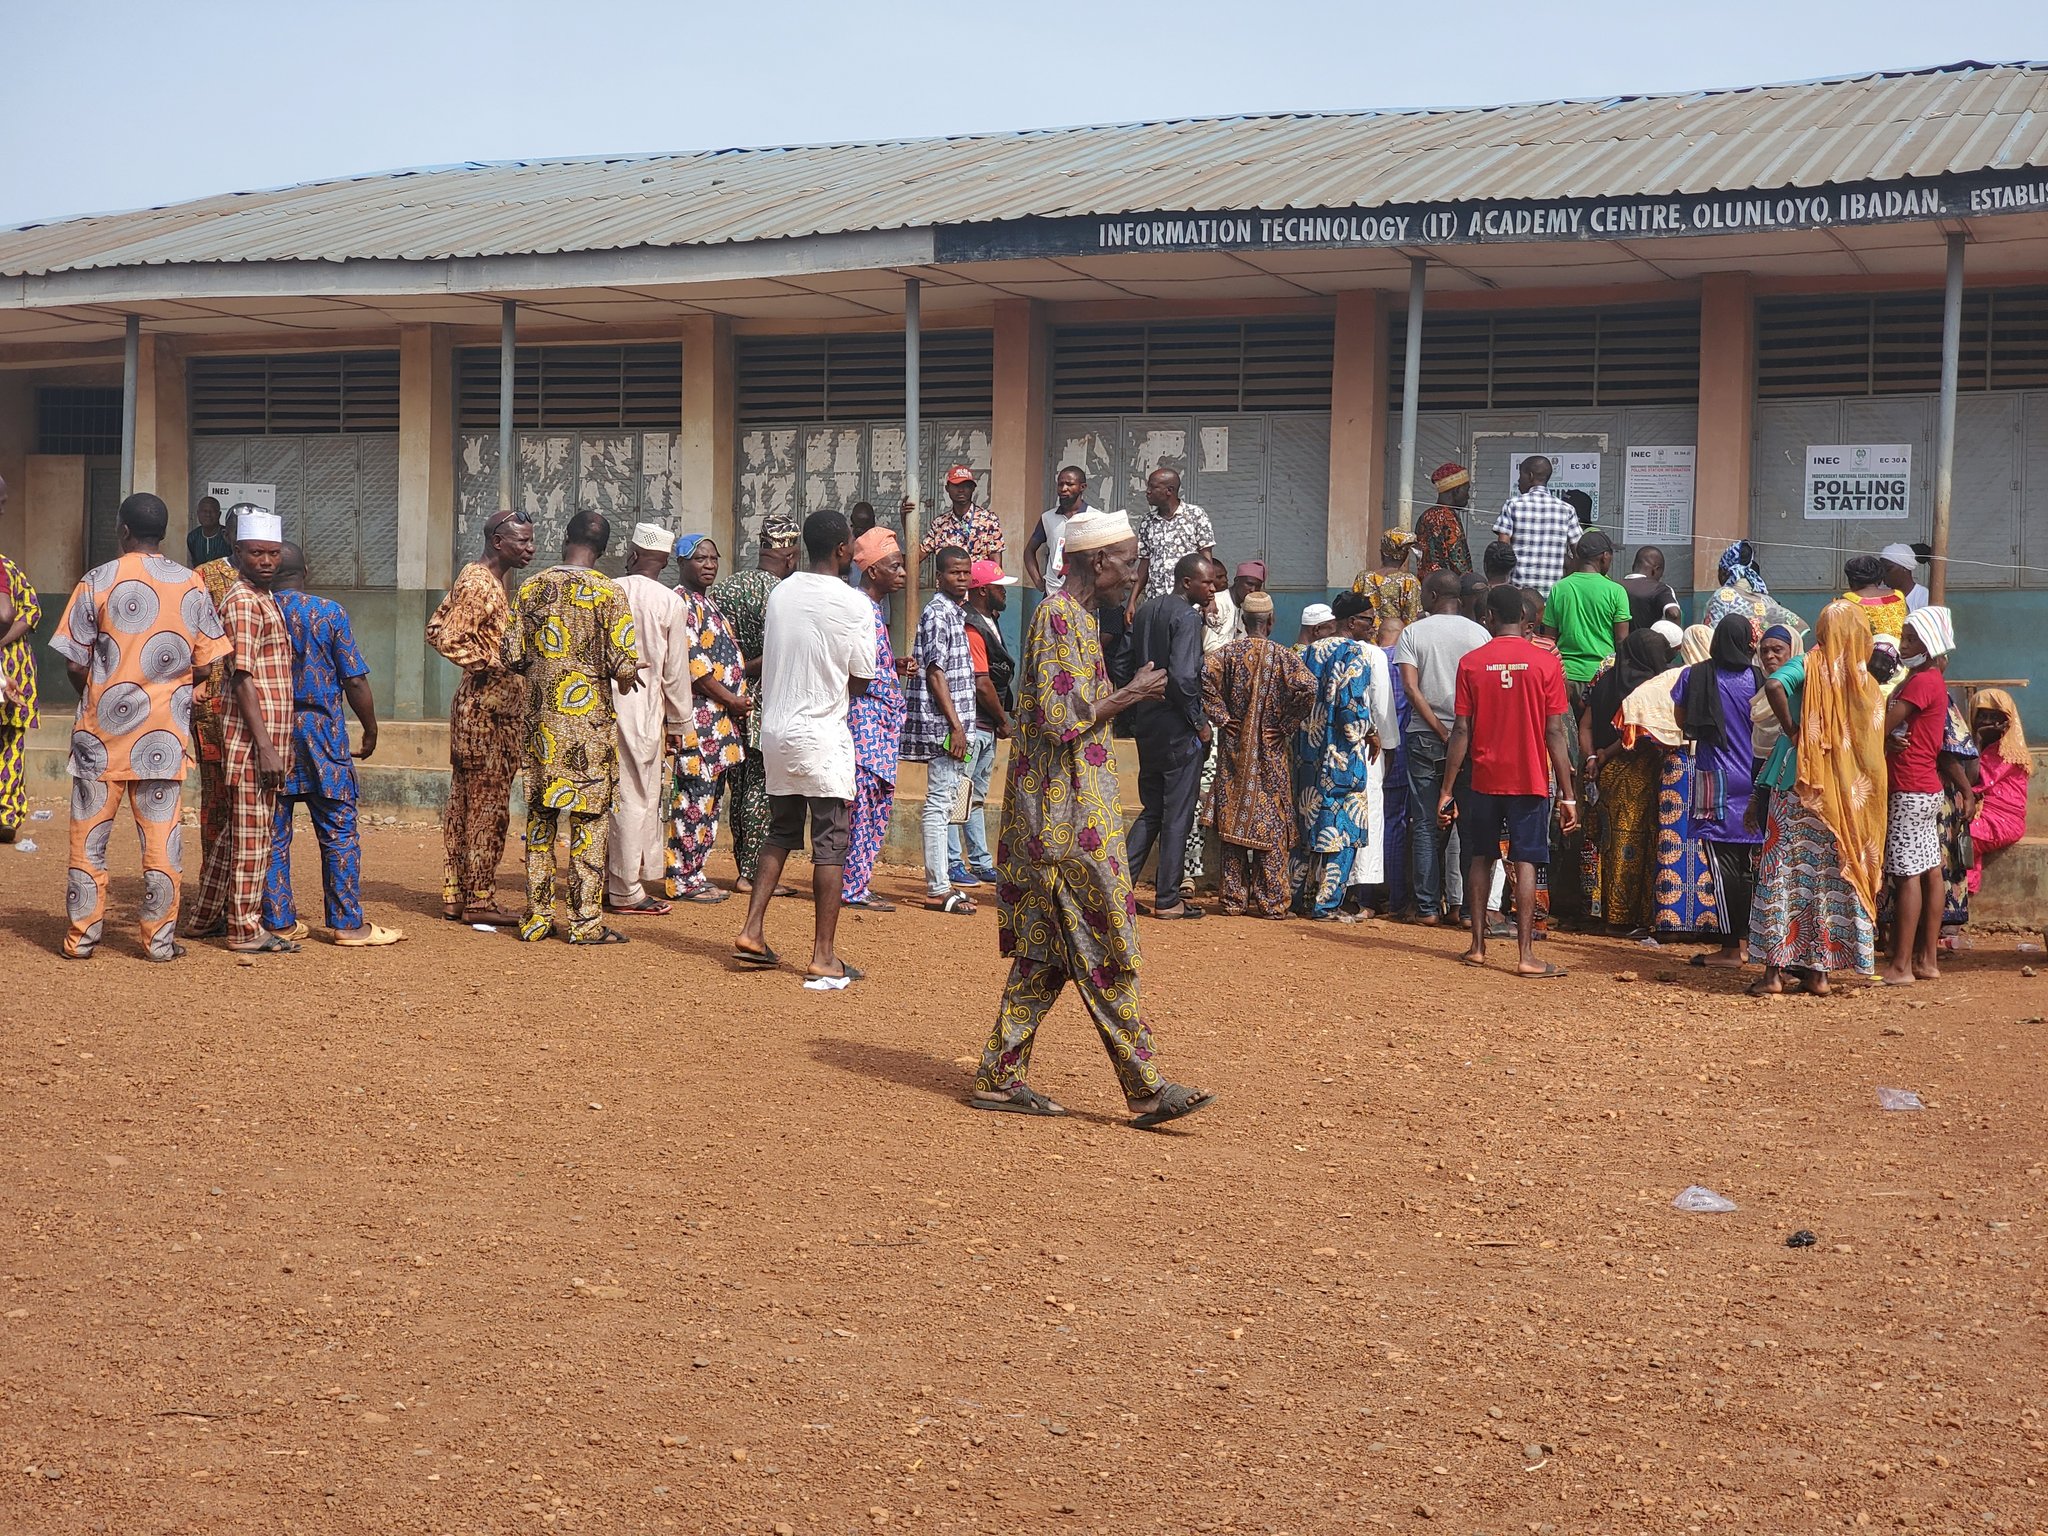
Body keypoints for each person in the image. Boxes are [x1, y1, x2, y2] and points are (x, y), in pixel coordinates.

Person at [969, 507, 1212, 1129]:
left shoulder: (1080, 619)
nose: (1136, 570)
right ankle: (1145, 1086)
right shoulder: (1056, 617)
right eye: (1129, 560)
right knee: (1105, 944)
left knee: (1047, 955)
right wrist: (1131, 693)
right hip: (1062, 819)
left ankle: (999, 1077)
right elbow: (1058, 716)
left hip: (1069, 810)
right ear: (1098, 562)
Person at [52, 492, 230, 961]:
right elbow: (208, 663)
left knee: (89, 842)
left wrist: (96, 697)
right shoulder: (192, 584)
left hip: (99, 738)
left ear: (122, 529)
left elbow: (74, 662)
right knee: (161, 842)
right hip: (164, 737)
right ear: (166, 533)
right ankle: (158, 942)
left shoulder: (97, 580)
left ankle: (82, 938)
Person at [731, 508, 877, 989]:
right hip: (823, 735)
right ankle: (823, 956)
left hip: (774, 729)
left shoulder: (781, 593)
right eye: (853, 542)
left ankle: (752, 930)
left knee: (781, 830)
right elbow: (860, 680)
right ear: (841, 551)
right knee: (830, 843)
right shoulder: (856, 604)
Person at [504, 511, 642, 945]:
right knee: (590, 824)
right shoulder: (609, 593)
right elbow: (623, 668)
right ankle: (584, 924)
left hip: (543, 727)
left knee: (541, 822)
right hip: (589, 731)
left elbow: (512, 656)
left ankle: (538, 917)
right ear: (603, 550)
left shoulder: (531, 586)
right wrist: (623, 671)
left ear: (565, 538)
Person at [260, 543, 399, 946]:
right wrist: (370, 729)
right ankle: (347, 924)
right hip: (322, 731)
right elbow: (354, 679)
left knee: (274, 829)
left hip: (271, 731)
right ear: (306, 569)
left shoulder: (258, 611)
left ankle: (279, 920)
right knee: (338, 827)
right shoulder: (328, 612)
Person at [1440, 583, 1576, 976]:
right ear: (1527, 619)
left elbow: (1461, 731)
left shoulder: (1471, 663)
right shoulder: (1546, 664)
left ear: (1488, 618)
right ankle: (1526, 956)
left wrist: (1447, 789)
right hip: (1530, 778)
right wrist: (1568, 794)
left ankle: (1478, 946)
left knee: (1480, 856)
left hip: (1482, 776)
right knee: (1527, 859)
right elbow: (1555, 732)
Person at [1748, 602, 1884, 993]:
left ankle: (1773, 974)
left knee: (1782, 875)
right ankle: (1820, 975)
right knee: (1828, 878)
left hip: (1799, 788)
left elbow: (1774, 685)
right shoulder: (1864, 681)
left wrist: (1794, 730)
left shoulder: (1811, 662)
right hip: (1842, 798)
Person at [186, 510, 296, 954]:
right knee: (254, 837)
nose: (267, 560)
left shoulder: (263, 596)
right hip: (254, 741)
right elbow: (241, 676)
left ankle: (204, 917)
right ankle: (245, 929)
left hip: (266, 738)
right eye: (257, 553)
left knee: (237, 832)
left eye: (272, 553)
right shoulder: (244, 603)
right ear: (238, 552)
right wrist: (266, 748)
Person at [427, 507, 536, 926]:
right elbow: (449, 638)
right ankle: (480, 899)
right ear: (497, 542)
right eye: (522, 541)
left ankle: (458, 892)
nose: (530, 548)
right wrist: (498, 664)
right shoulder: (480, 584)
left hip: (483, 707)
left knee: (467, 800)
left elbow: (436, 627)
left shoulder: (482, 579)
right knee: (487, 805)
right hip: (488, 711)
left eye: (530, 539)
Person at [1202, 590, 1317, 917]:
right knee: (1272, 825)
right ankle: (1272, 902)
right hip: (1271, 755)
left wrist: (1223, 718)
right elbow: (1309, 687)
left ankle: (1233, 900)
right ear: (1271, 621)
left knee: (1233, 823)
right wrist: (1287, 723)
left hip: (1235, 754)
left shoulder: (1226, 654)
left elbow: (1204, 676)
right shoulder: (1284, 657)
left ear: (1243, 619)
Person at [605, 523, 694, 917]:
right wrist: (679, 725)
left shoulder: (609, 590)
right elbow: (675, 674)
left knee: (606, 797)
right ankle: (626, 890)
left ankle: (610, 880)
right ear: (665, 562)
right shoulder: (671, 603)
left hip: (598, 703)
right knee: (636, 798)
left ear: (634, 554)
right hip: (643, 710)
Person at [1394, 570, 1490, 926]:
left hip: (1424, 736)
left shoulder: (1413, 633)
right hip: (1471, 737)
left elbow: (1410, 687)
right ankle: (1467, 911)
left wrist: (1438, 729)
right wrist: (1462, 732)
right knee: (1467, 826)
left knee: (1424, 821)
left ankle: (1427, 908)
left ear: (1433, 595)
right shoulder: (1479, 633)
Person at [1294, 592, 1396, 920]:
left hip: (1308, 753)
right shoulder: (1356, 654)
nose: (1373, 625)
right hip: (1341, 754)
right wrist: (1370, 734)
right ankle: (1326, 905)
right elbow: (1352, 706)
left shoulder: (1310, 651)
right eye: (1368, 620)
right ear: (1351, 623)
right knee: (1343, 825)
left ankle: (1298, 897)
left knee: (1309, 824)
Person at [1670, 615, 1765, 968]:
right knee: (1748, 867)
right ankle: (1754, 941)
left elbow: (1681, 720)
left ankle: (1730, 948)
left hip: (1715, 780)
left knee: (1722, 866)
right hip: (1755, 781)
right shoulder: (1758, 679)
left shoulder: (1693, 675)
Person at [1126, 551, 1215, 919]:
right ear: (1186, 582)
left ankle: (1119, 888)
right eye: (1206, 581)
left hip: (1147, 723)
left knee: (1152, 810)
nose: (1212, 588)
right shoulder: (1188, 617)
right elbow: (1182, 677)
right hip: (1178, 727)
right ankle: (1167, 899)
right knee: (1177, 813)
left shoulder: (1146, 610)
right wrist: (1199, 722)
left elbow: (1125, 661)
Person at [714, 512, 800, 893]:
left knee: (739, 783)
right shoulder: (787, 596)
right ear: (791, 556)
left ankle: (742, 866)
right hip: (768, 700)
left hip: (727, 697)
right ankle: (751, 873)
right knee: (761, 788)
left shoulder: (725, 589)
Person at [667, 535, 748, 903]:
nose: (710, 564)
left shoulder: (708, 603)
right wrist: (731, 699)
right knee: (692, 800)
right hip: (699, 721)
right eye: (700, 559)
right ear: (682, 563)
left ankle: (695, 872)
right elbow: (695, 667)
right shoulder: (681, 603)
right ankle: (681, 878)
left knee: (711, 801)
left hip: (720, 724)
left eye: (714, 558)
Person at [1579, 629, 1674, 935]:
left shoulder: (1606, 680)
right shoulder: (1649, 687)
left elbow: (1586, 725)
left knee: (1605, 842)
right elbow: (1635, 733)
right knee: (1630, 844)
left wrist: (1592, 758)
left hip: (1605, 776)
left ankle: (1598, 910)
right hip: (1638, 777)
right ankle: (1623, 917)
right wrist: (1606, 753)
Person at [1882, 606, 1956, 984]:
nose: (1903, 644)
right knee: (1929, 872)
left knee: (1906, 875)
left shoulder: (1920, 681)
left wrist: (1885, 733)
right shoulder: (1928, 679)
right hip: (1926, 786)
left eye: (1910, 639)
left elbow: (1884, 724)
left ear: (1928, 644)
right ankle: (1927, 960)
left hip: (1908, 788)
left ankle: (1901, 966)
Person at [903, 546, 979, 913]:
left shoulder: (954, 613)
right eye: (954, 573)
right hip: (944, 726)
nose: (961, 579)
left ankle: (943, 880)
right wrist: (956, 727)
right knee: (938, 804)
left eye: (965, 573)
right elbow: (936, 673)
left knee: (948, 800)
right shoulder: (938, 614)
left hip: (956, 724)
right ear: (939, 577)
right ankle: (937, 886)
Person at [843, 526, 909, 912]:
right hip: (866, 722)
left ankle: (859, 883)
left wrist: (894, 666)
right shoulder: (860, 609)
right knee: (864, 803)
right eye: (894, 566)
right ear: (872, 571)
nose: (901, 573)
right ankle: (851, 887)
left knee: (876, 802)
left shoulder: (875, 611)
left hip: (881, 723)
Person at [955, 557, 1017, 885]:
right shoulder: (971, 626)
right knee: (958, 794)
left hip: (985, 727)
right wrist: (1003, 719)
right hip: (973, 724)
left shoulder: (987, 620)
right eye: (998, 587)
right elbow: (981, 683)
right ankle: (953, 861)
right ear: (981, 591)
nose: (1004, 593)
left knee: (975, 795)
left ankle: (979, 860)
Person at [1542, 529, 1631, 699]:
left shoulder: (1559, 588)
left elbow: (1549, 640)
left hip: (1565, 676)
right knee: (1595, 726)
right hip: (1602, 676)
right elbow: (1621, 641)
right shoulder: (1616, 591)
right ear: (1604, 556)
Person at [0, 487, 39, 841]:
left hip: (12, 671)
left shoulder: (7, 568)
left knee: (11, 739)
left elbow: (24, 612)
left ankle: (7, 816)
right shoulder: (9, 568)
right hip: (15, 669)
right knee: (12, 744)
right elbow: (28, 612)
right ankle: (8, 814)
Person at [1967, 689, 2030, 894]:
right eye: (1982, 715)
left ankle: (1960, 900)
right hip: (1980, 812)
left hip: (2004, 819)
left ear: (2006, 720)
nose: (1987, 721)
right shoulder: (1972, 744)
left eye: (1994, 716)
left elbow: (1972, 781)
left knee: (1965, 838)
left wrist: (1977, 739)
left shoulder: (2007, 752)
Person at [1129, 467, 1215, 615]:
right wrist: (1132, 601)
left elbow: (1206, 560)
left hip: (1188, 604)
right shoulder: (1147, 522)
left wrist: (1211, 599)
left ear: (1169, 490)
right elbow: (1144, 565)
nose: (1147, 491)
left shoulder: (1196, 515)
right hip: (1156, 603)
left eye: (1153, 487)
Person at [1492, 456, 1579, 597]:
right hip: (1554, 595)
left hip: (1519, 594)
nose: (1518, 481)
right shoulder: (1567, 509)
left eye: (1520, 475)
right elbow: (1579, 552)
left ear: (1530, 476)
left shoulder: (1513, 505)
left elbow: (1503, 549)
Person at [1023, 465, 1097, 591]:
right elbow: (1029, 551)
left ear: (1082, 487)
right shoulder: (1048, 518)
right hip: (1053, 594)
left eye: (1069, 484)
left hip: (1084, 596)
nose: (1063, 489)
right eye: (1060, 484)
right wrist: (1038, 581)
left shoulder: (1095, 518)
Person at [914, 465, 1004, 567]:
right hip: (948, 583)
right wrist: (906, 520)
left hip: (978, 582)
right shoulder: (939, 524)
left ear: (973, 488)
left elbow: (996, 565)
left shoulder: (989, 520)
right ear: (947, 488)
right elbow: (917, 557)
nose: (961, 490)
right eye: (956, 485)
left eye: (966, 486)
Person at [1352, 529, 1422, 629]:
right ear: (1405, 555)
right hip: (1394, 639)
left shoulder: (1363, 577)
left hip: (1366, 638)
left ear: (1382, 552)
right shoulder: (1409, 581)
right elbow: (1412, 619)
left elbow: (1354, 611)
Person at [1415, 462, 1474, 579]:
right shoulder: (1449, 518)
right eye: (1466, 490)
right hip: (1448, 586)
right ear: (1456, 490)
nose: (1468, 496)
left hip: (1427, 585)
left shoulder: (1425, 516)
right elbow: (1458, 562)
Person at [1840, 554, 1909, 641]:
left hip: (1871, 652)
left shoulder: (1850, 598)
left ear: (1852, 580)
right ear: (1880, 578)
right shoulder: (1897, 595)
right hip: (1900, 650)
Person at [1618, 547, 1681, 633]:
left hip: (1616, 645)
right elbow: (1674, 614)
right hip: (1649, 644)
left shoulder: (1614, 586)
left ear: (1633, 567)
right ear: (1656, 570)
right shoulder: (1660, 589)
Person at [1879, 541, 1932, 613]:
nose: (1883, 574)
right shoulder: (1881, 596)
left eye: (1888, 569)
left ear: (1905, 568)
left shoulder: (1924, 597)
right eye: (1881, 570)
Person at [186, 495, 232, 568]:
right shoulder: (193, 537)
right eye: (204, 511)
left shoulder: (228, 535)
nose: (208, 515)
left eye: (212, 511)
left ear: (219, 514)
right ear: (198, 514)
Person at [845, 502, 876, 588]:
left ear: (873, 523)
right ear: (852, 521)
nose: (861, 531)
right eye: (858, 527)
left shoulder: (882, 545)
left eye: (865, 527)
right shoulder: (845, 547)